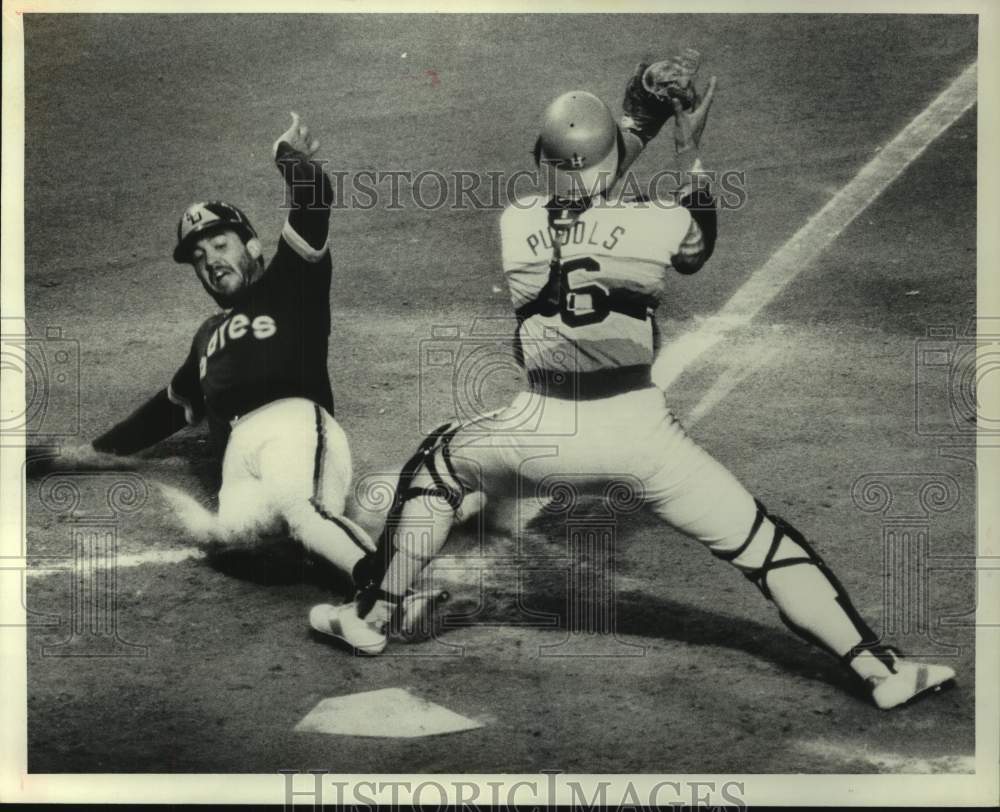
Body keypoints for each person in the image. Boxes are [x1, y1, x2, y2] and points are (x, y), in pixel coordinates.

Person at [310, 61, 957, 711]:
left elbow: (586, 183)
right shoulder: (656, 224)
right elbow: (696, 242)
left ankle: (372, 616)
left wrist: (636, 109)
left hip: (539, 429)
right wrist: (687, 146)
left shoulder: (520, 222)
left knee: (438, 464)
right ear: (610, 164)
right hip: (643, 441)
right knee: (764, 544)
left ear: (545, 163)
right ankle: (879, 669)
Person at [54, 113, 377, 584]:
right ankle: (348, 568)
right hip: (238, 464)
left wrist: (287, 157)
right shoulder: (207, 336)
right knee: (237, 546)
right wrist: (93, 451)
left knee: (302, 510)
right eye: (199, 258)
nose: (210, 262)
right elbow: (167, 410)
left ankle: (393, 591)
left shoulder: (291, 283)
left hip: (293, 426)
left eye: (220, 245)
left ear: (251, 247)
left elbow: (313, 204)